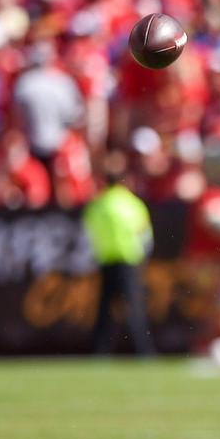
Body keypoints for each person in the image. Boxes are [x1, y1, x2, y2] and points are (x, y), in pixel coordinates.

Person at [82, 151, 157, 356]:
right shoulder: (133, 204)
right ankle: (143, 352)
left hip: (105, 261)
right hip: (129, 261)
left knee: (104, 310)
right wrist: (142, 257)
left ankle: (99, 352)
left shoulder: (97, 206)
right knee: (134, 310)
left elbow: (87, 237)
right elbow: (145, 236)